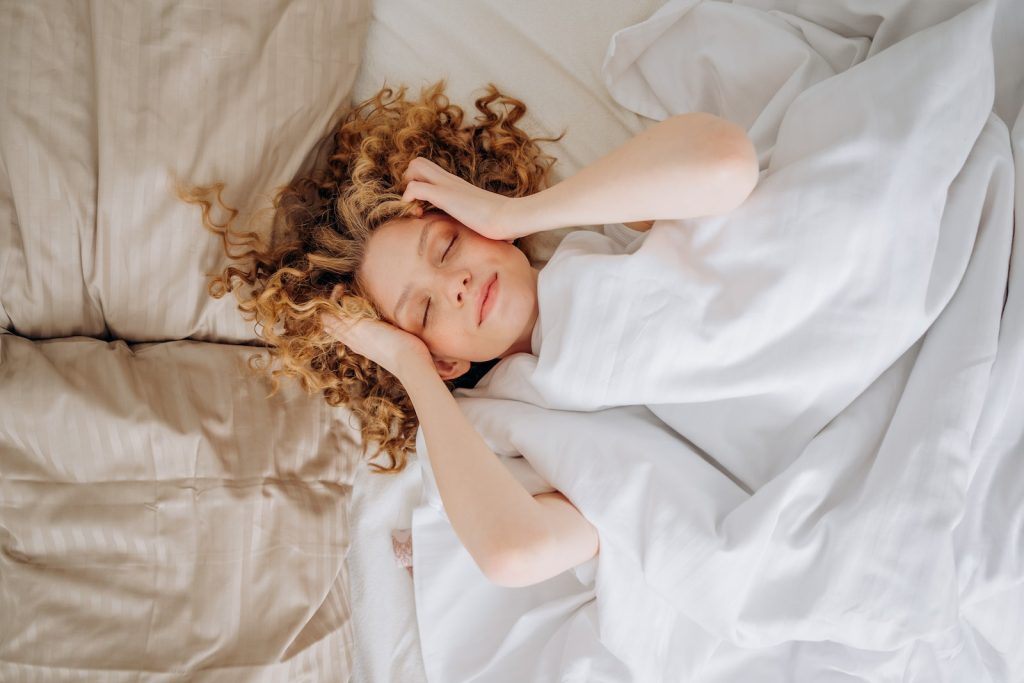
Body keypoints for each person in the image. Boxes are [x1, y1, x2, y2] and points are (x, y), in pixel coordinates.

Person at [179, 81, 758, 587]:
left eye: (448, 246)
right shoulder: (503, 427)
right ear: (446, 362)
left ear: (480, 222)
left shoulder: (601, 233)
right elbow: (516, 554)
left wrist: (516, 215)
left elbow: (727, 160)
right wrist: (410, 368)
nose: (453, 284)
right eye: (424, 312)